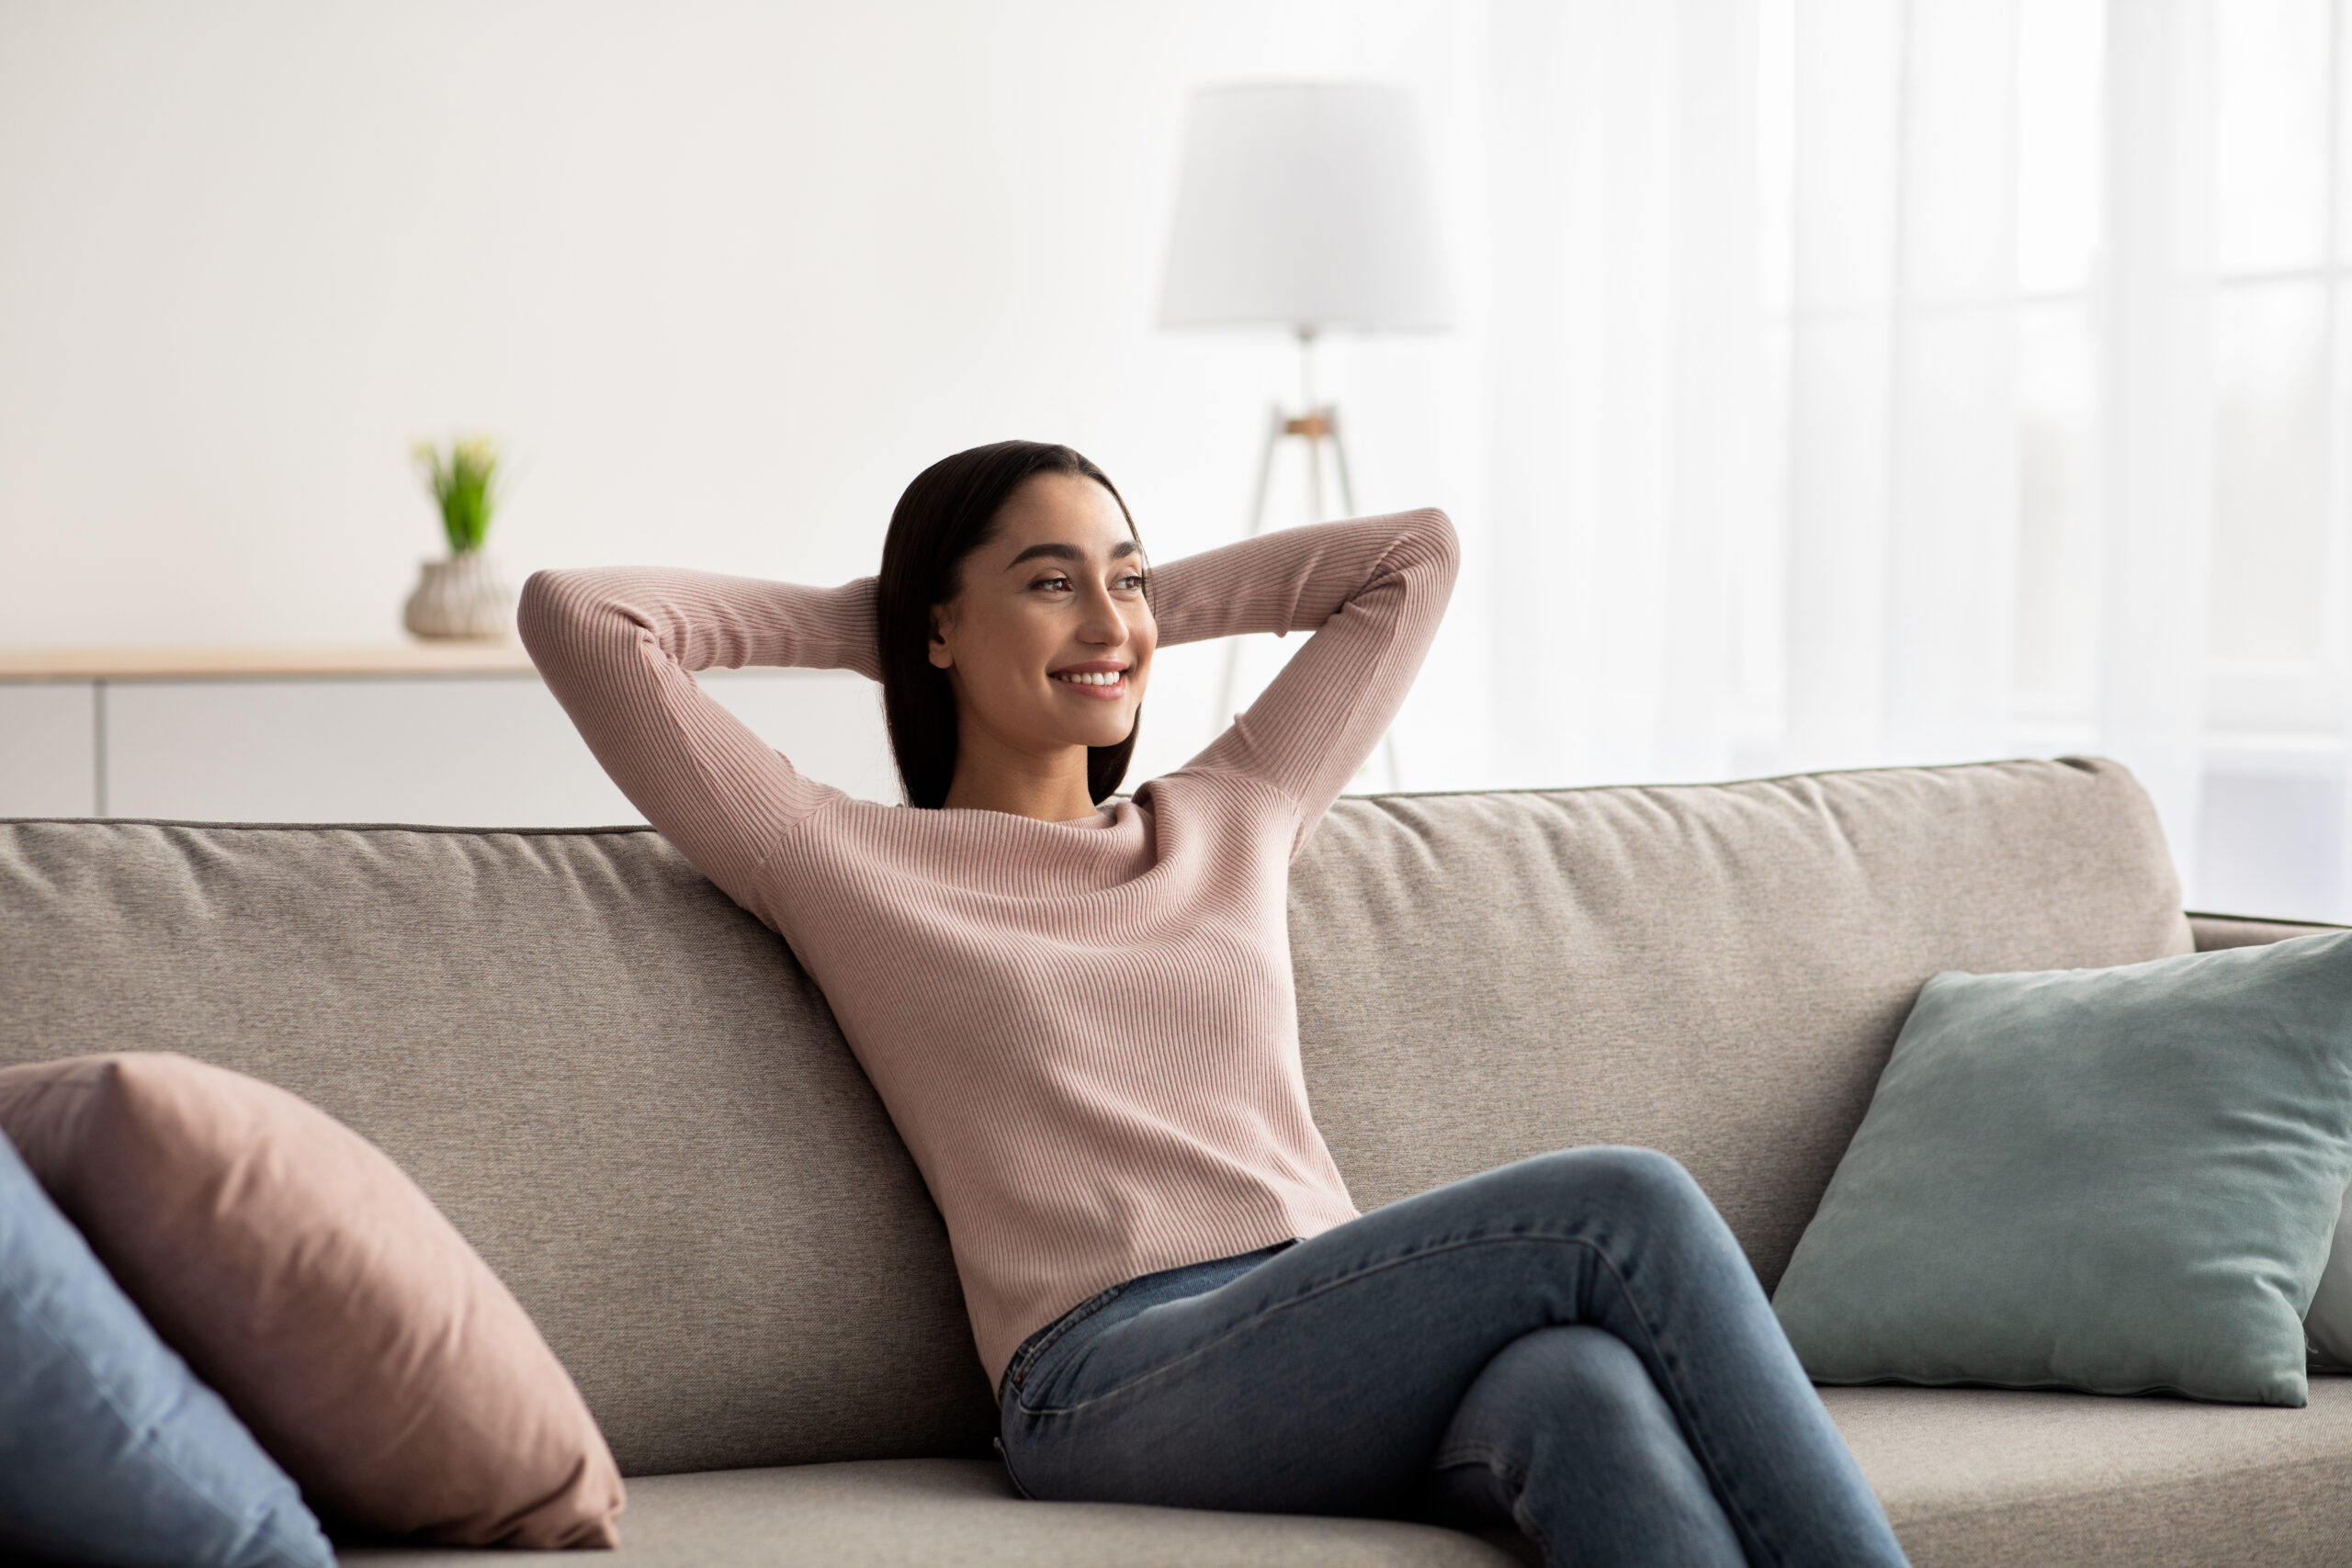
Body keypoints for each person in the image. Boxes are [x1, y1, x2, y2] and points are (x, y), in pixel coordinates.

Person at [521, 439, 1909, 1568]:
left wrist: (1102, 605)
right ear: (937, 626)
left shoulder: (1230, 815)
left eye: (1125, 581)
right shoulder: (841, 860)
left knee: (1580, 1395)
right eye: (1048, 583)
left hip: (1322, 1310)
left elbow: (1408, 555)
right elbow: (582, 618)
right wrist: (873, 618)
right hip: (1104, 1372)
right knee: (1626, 1204)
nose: (1110, 619)